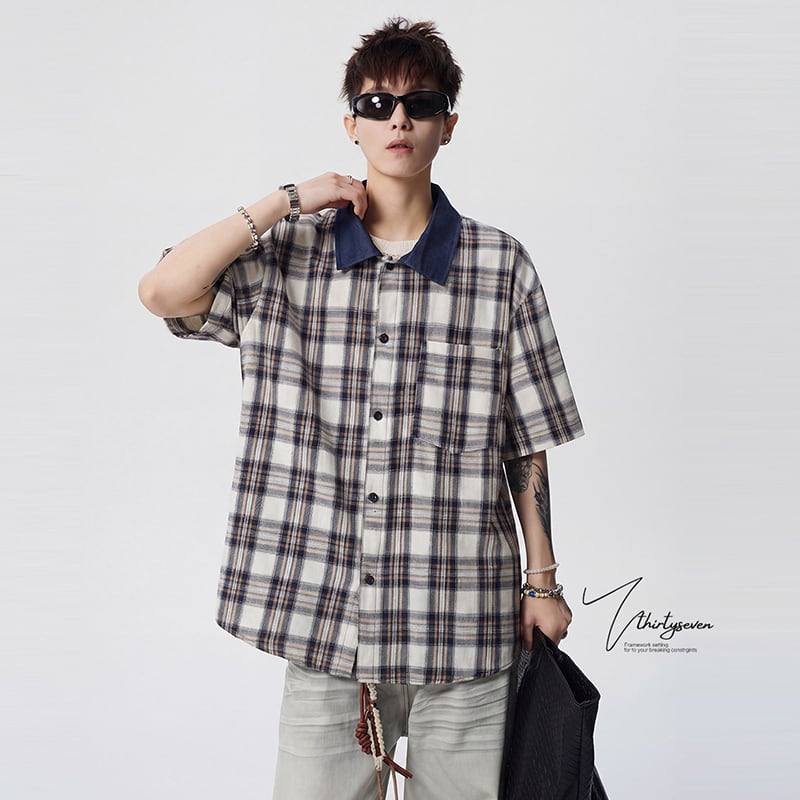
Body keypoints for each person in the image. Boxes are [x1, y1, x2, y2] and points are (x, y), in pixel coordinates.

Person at [138, 17, 583, 800]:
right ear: (351, 124)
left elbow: (526, 442)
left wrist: (542, 583)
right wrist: (287, 200)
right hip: (327, 626)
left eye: (421, 103)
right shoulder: (288, 254)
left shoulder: (500, 266)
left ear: (449, 124)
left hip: (463, 622)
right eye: (377, 104)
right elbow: (162, 292)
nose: (398, 120)